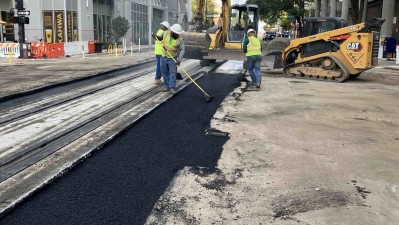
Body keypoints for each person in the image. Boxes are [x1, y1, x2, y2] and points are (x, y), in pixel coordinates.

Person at [154, 24, 185, 95]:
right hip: (163, 56)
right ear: (172, 31)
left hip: (172, 58)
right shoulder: (166, 33)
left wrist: (179, 60)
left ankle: (172, 87)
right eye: (176, 33)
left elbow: (182, 49)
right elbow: (159, 38)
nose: (177, 35)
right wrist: (155, 36)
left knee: (173, 72)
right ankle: (167, 86)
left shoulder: (180, 40)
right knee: (164, 72)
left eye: (178, 34)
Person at [154, 21, 170, 85]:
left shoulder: (159, 31)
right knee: (162, 66)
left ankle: (159, 78)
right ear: (166, 27)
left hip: (158, 52)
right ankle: (158, 79)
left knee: (159, 65)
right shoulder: (163, 32)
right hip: (162, 52)